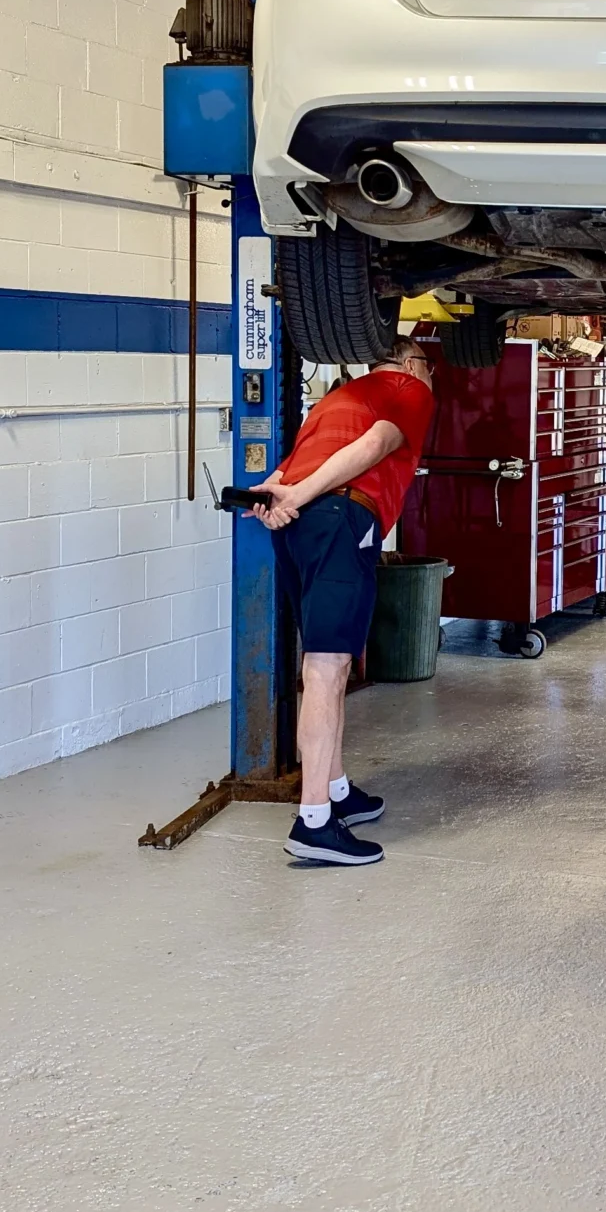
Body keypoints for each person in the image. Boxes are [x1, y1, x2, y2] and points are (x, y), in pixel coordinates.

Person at [249, 335, 435, 868]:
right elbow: (376, 446)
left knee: (321, 663)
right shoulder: (408, 388)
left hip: (298, 530)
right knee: (328, 669)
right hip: (340, 518)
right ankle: (314, 824)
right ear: (408, 362)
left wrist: (275, 500)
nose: (432, 378)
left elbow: (284, 472)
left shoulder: (336, 399)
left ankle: (335, 791)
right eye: (430, 366)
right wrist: (299, 496)